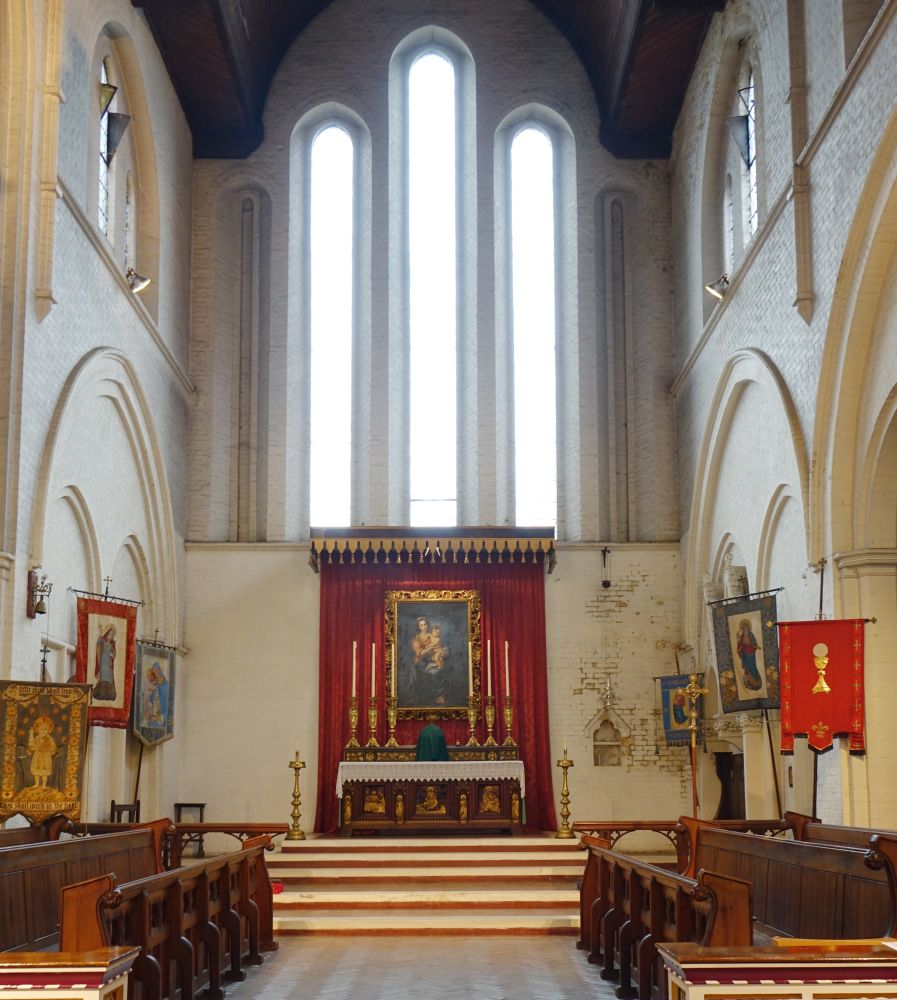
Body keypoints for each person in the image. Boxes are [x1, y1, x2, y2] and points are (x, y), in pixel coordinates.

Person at [28, 715, 57, 789]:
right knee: (36, 771)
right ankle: (37, 783)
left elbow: (53, 747)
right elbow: (31, 745)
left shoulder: (50, 739)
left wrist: (50, 751)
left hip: (46, 756)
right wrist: (31, 735)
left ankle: (44, 784)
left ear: (49, 730)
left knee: (45, 772)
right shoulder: (36, 738)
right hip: (37, 755)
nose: (43, 731)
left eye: (45, 729)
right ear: (38, 730)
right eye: (41, 729)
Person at [735, 619, 763, 691]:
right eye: (743, 628)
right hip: (745, 653)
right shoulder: (742, 636)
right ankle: (750, 681)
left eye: (746, 627)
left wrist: (753, 645)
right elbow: (740, 644)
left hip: (751, 653)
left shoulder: (751, 635)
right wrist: (739, 647)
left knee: (752, 666)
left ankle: (756, 679)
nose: (745, 629)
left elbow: (754, 643)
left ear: (748, 627)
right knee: (747, 667)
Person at [94, 623, 117, 701]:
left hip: (109, 663)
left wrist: (112, 655)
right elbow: (98, 646)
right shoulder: (102, 641)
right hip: (103, 662)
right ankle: (100, 694)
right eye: (109, 634)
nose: (110, 636)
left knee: (109, 678)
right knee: (103, 677)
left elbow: (114, 653)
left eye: (112, 634)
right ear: (107, 633)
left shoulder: (112, 644)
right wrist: (99, 638)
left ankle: (109, 694)